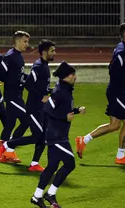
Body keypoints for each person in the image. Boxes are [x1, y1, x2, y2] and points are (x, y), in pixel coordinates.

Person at [75, 22, 125, 165]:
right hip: (118, 92)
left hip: (116, 90)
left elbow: (118, 70)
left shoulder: (123, 48)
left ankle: (83, 140)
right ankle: (120, 157)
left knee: (115, 125)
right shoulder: (123, 50)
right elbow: (113, 70)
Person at [31, 62, 86, 208]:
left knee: (52, 166)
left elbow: (62, 110)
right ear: (68, 76)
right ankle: (50, 194)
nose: (75, 77)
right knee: (70, 163)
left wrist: (76, 111)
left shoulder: (65, 90)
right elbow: (47, 109)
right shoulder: (60, 91)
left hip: (59, 134)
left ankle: (37, 196)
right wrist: (64, 118)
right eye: (73, 74)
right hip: (56, 136)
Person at [0, 39, 56, 172]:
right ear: (44, 52)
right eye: (52, 51)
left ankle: (34, 163)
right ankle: (7, 145)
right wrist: (41, 97)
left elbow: (38, 86)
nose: (54, 53)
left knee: (41, 136)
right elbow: (29, 84)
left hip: (40, 107)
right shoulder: (39, 66)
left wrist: (51, 91)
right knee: (37, 135)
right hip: (34, 107)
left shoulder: (44, 66)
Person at [0, 31, 30, 163]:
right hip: (13, 96)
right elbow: (1, 73)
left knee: (10, 124)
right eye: (25, 41)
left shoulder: (18, 56)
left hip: (16, 95)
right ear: (17, 42)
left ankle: (1, 153)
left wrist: (29, 79)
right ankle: (8, 150)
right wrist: (9, 82)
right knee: (27, 121)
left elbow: (18, 75)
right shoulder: (10, 56)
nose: (27, 44)